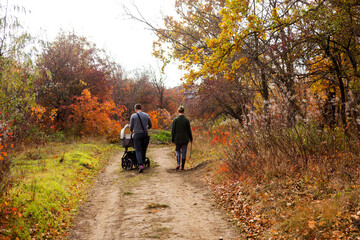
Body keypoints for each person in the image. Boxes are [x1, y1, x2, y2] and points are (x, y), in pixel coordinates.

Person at [130, 103, 152, 173]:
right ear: (141, 108)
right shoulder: (146, 115)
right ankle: (143, 161)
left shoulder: (133, 116)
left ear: (135, 109)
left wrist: (133, 130)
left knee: (138, 149)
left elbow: (131, 128)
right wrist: (146, 128)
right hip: (145, 134)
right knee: (144, 149)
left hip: (137, 135)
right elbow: (150, 125)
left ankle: (140, 165)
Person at [171, 106, 193, 171]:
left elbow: (173, 130)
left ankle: (178, 163)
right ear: (183, 111)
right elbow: (189, 130)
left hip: (177, 139)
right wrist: (191, 138)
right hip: (185, 139)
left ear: (178, 111)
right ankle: (182, 167)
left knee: (177, 150)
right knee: (184, 152)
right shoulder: (186, 120)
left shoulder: (175, 120)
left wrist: (172, 139)